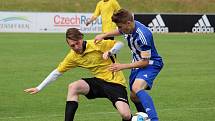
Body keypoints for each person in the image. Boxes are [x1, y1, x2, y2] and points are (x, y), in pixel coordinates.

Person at [24, 28, 133, 121]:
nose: (76, 47)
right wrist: (39, 87)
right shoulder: (72, 56)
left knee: (126, 115)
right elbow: (57, 72)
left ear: (81, 39)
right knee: (73, 87)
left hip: (115, 83)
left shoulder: (96, 44)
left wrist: (110, 52)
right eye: (72, 45)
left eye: (77, 43)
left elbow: (119, 44)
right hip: (98, 82)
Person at [94, 9, 164, 121]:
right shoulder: (128, 27)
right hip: (137, 63)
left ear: (128, 23)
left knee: (137, 88)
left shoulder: (143, 36)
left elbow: (145, 62)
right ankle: (144, 117)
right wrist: (104, 35)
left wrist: (122, 66)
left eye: (120, 26)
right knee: (134, 96)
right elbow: (119, 31)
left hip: (151, 63)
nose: (119, 29)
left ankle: (154, 119)